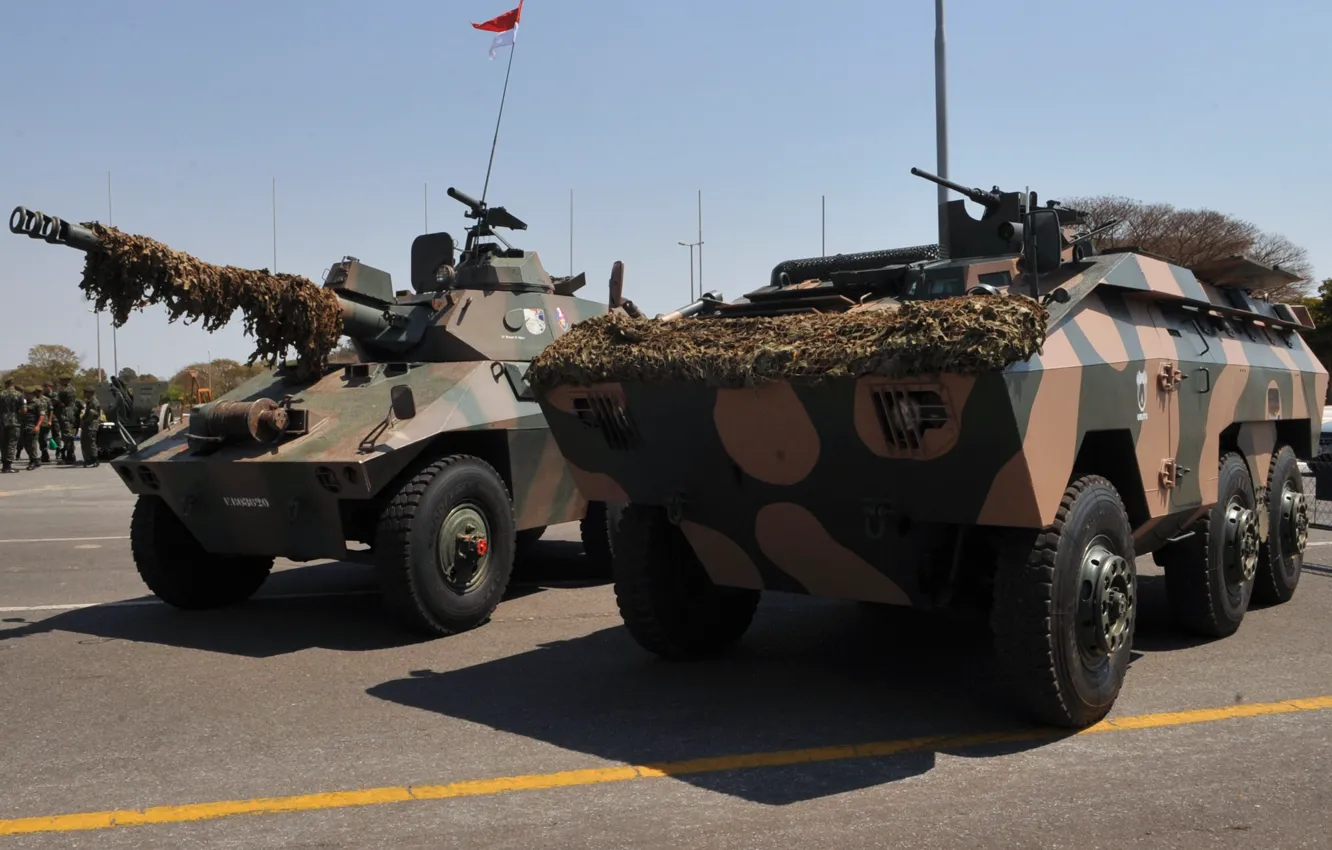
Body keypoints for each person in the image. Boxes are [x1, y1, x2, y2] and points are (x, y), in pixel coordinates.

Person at [19, 386, 45, 470]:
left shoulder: (37, 402)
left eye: (27, 394)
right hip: (23, 426)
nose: (25, 395)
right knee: (25, 444)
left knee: (32, 445)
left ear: (32, 394)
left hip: (32, 426)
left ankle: (32, 461)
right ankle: (35, 459)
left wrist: (37, 426)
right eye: (24, 394)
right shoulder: (24, 403)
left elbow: (41, 415)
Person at [0, 376, 21, 473]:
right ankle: (8, 465)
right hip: (14, 421)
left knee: (4, 443)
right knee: (12, 443)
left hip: (3, 422)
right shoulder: (18, 394)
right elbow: (24, 409)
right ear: (13, 383)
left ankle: (4, 464)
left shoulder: (1, 394)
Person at [55, 376, 77, 464]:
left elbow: (59, 400)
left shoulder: (67, 390)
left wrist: (57, 401)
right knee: (66, 435)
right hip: (66, 413)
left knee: (67, 436)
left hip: (66, 414)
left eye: (61, 379)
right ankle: (69, 454)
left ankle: (70, 456)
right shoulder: (67, 388)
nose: (60, 381)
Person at [80, 385, 102, 467]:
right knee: (86, 443)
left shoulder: (94, 402)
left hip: (91, 425)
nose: (84, 394)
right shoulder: (89, 401)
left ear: (90, 393)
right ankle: (89, 459)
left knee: (91, 443)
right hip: (88, 425)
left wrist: (85, 420)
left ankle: (94, 460)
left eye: (86, 392)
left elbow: (93, 414)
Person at [33, 385, 53, 464]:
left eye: (38, 391)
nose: (37, 392)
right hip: (35, 422)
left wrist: (50, 420)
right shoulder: (33, 399)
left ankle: (45, 455)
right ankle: (37, 456)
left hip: (44, 422)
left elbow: (51, 410)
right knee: (35, 440)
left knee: (43, 439)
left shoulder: (47, 399)